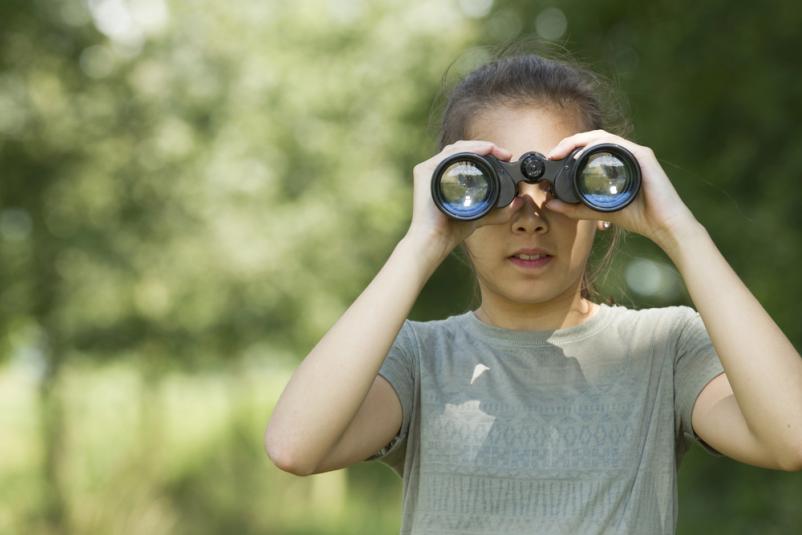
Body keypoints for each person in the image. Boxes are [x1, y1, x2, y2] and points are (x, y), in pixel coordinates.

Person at [265, 50, 802, 534]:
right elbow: (295, 446)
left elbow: (792, 436)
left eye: (560, 184)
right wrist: (421, 240)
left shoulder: (665, 349)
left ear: (603, 207)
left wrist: (678, 229)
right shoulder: (419, 359)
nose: (531, 219)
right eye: (491, 189)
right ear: (456, 206)